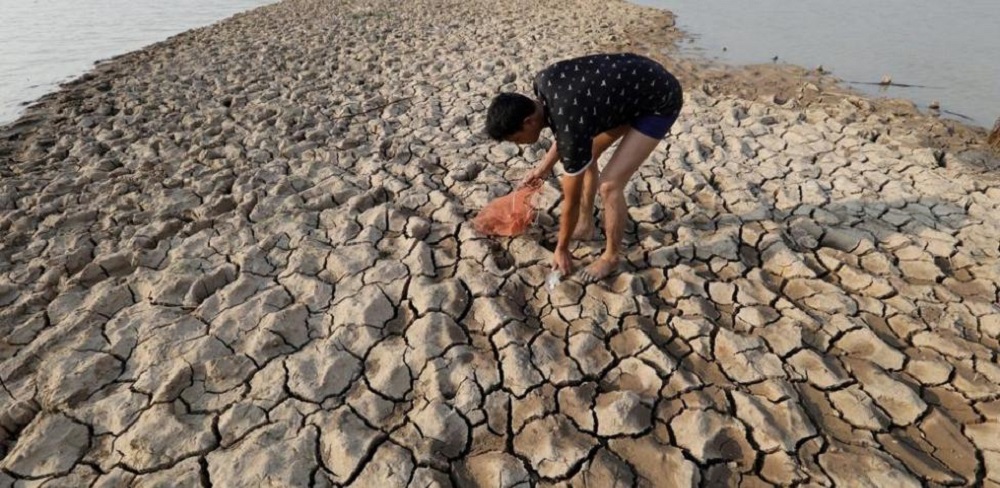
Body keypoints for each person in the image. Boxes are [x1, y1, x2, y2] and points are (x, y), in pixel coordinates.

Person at [485, 53, 683, 282]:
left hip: (658, 100)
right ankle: (586, 225)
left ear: (529, 121)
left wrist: (562, 248)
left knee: (610, 185)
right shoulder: (542, 83)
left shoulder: (569, 126)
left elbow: (571, 200)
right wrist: (542, 169)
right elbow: (570, 128)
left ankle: (610, 257)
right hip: (635, 84)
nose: (517, 144)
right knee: (586, 151)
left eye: (515, 139)